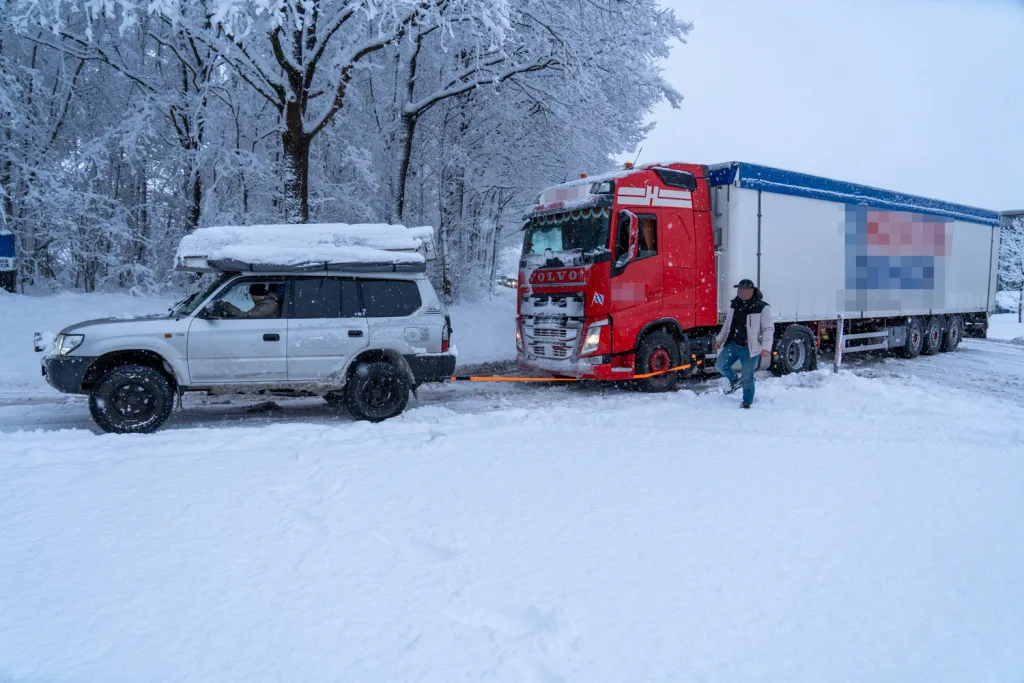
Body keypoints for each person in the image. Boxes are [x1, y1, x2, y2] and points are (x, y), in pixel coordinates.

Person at [715, 278, 774, 409]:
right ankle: (735, 381)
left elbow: (768, 329)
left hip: (750, 349)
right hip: (733, 344)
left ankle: (747, 402)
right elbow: (727, 324)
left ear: (752, 291)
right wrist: (720, 339)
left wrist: (766, 348)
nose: (742, 292)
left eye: (745, 290)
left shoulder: (762, 307)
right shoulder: (734, 304)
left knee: (748, 377)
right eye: (740, 290)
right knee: (720, 365)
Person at [217, 283, 282, 319]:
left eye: (251, 296)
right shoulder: (269, 301)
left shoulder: (268, 305)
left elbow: (244, 317)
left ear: (254, 295)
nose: (252, 298)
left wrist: (223, 305)